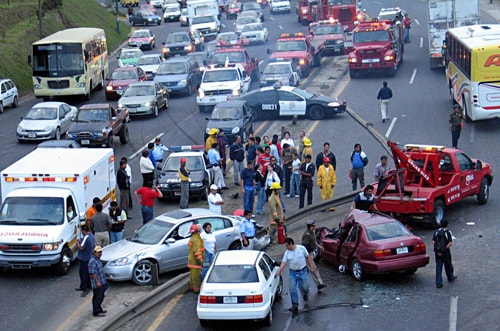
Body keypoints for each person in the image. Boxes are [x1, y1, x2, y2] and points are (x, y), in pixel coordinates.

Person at [275, 237, 315, 313]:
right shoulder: (287, 253)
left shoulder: (301, 249)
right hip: (292, 272)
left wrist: (311, 267)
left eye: (287, 245)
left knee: (305, 286)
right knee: (292, 288)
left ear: (291, 244)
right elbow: (284, 262)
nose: (286, 247)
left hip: (303, 271)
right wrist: (279, 270)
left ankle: (305, 293)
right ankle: (295, 304)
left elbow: (308, 257)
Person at [432, 219, 457, 288]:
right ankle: (450, 277)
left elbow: (433, 242)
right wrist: (444, 249)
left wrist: (437, 249)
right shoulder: (447, 232)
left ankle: (439, 283)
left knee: (438, 267)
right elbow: (450, 243)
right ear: (447, 224)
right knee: (448, 264)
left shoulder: (436, 232)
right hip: (445, 252)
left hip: (437, 252)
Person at [301, 220, 326, 290]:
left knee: (312, 269)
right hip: (308, 254)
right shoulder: (307, 235)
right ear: (311, 227)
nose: (315, 226)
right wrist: (307, 257)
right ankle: (319, 284)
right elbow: (305, 246)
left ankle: (319, 284)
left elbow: (313, 242)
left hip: (310, 253)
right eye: (314, 225)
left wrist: (319, 246)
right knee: (313, 269)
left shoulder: (312, 232)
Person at [88, 246, 108, 317]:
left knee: (101, 296)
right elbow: (93, 273)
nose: (100, 253)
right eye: (98, 252)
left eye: (101, 252)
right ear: (94, 252)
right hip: (97, 283)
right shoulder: (92, 262)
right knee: (97, 297)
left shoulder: (98, 259)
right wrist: (97, 282)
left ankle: (99, 309)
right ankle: (96, 312)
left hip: (102, 281)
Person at [75, 225, 95, 292]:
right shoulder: (92, 236)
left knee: (83, 273)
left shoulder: (86, 237)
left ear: (84, 231)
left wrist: (77, 243)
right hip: (90, 257)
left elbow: (81, 247)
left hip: (84, 258)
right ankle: (89, 285)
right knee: (88, 273)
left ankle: (83, 286)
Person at [187, 224, 205, 293]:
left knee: (192, 275)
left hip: (192, 260)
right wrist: (201, 261)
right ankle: (196, 289)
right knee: (196, 276)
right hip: (195, 261)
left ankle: (192, 287)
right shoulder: (196, 239)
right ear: (197, 231)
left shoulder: (193, 238)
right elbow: (197, 251)